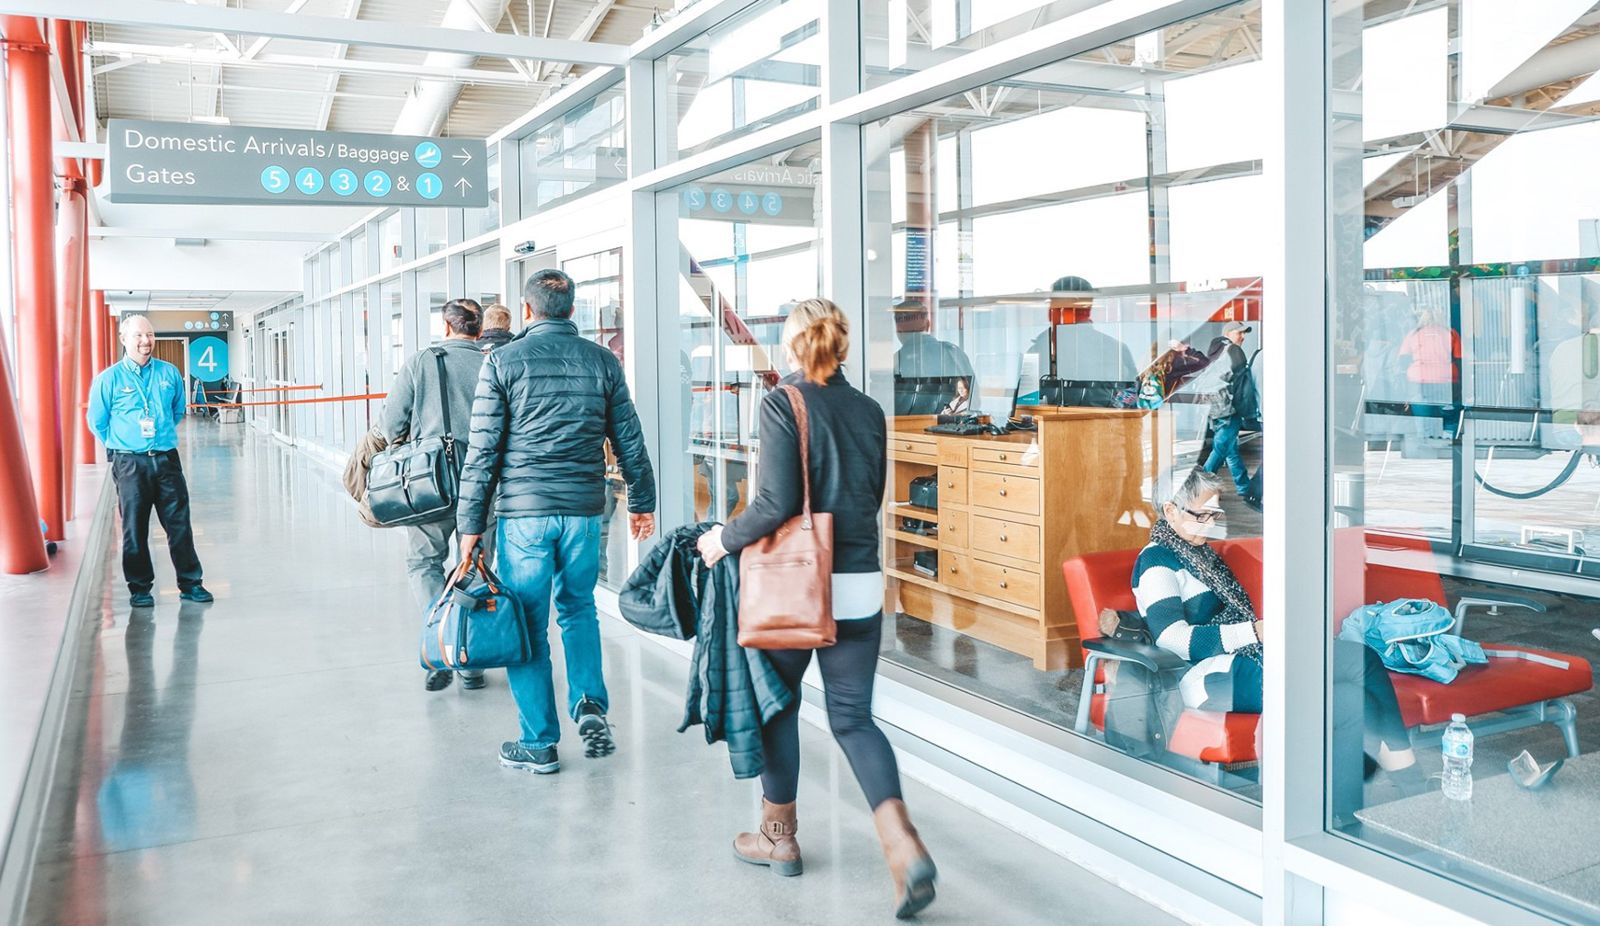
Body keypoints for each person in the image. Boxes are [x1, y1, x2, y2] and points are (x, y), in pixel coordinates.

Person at [697, 298, 938, 920]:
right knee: (854, 718)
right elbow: (872, 493)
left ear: (793, 345)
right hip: (860, 577)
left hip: (798, 582)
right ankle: (902, 843)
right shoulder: (868, 409)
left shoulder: (784, 402)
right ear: (842, 343)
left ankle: (778, 838)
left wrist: (720, 538)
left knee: (780, 704)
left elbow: (775, 502)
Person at [456, 268, 657, 775]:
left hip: (524, 514)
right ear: (573, 310)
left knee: (526, 620)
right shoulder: (601, 360)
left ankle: (539, 741)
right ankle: (590, 701)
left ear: (528, 311)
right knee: (578, 608)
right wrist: (642, 502)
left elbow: (483, 451)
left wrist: (469, 526)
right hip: (584, 512)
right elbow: (628, 437)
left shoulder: (502, 361)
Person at [1133, 468, 1417, 782]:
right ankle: (1378, 789)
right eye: (1203, 515)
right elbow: (1171, 639)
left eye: (1215, 514)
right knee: (1347, 694)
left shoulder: (1200, 556)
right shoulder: (1156, 562)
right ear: (1170, 510)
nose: (1212, 524)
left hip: (1248, 658)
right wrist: (1254, 631)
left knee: (1359, 668)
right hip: (1207, 677)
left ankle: (1397, 781)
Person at [380, 298, 489, 692]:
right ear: (479, 330)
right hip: (484, 483)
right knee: (474, 563)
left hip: (431, 483)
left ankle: (440, 644)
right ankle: (472, 660)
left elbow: (391, 421)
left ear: (447, 327)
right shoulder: (494, 363)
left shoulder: (422, 360)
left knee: (424, 563)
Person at [87, 314, 213, 608]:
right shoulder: (108, 380)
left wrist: (158, 439)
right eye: (138, 336)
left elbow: (177, 411)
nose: (146, 341)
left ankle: (191, 583)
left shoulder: (169, 373)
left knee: (179, 524)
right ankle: (140, 588)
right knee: (135, 527)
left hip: (167, 461)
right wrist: (123, 445)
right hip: (130, 464)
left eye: (150, 335)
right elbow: (98, 422)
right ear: (124, 339)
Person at [1200, 321, 1260, 511]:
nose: (1242, 337)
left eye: (1244, 334)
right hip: (1228, 408)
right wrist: (1248, 411)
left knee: (1231, 449)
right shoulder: (1234, 350)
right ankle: (1198, 488)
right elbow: (1243, 386)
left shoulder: (1215, 350)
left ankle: (1244, 488)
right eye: (1239, 333)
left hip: (1213, 407)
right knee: (1221, 449)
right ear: (1228, 333)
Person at [891, 298, 974, 416]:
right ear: (928, 325)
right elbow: (974, 399)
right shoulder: (953, 353)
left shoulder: (896, 361)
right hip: (949, 428)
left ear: (898, 331)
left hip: (905, 430)